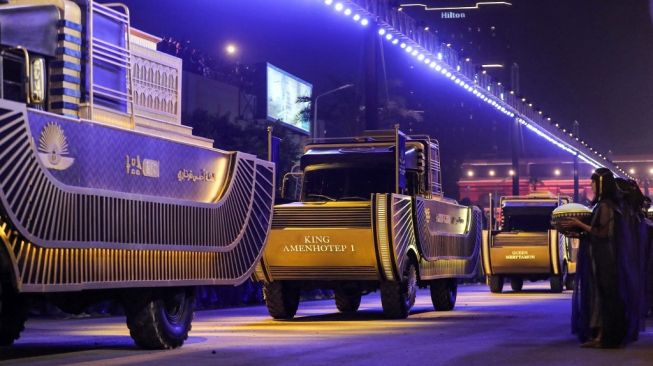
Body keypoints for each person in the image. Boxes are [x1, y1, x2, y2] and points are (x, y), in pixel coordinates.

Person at [560, 168, 642, 348]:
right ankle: (600, 336)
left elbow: (602, 233)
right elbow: (597, 232)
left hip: (605, 259)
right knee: (601, 296)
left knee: (606, 296)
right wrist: (578, 233)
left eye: (593, 183)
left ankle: (605, 337)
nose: (591, 186)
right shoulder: (608, 205)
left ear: (602, 184)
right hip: (603, 257)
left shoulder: (605, 206)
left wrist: (579, 224)